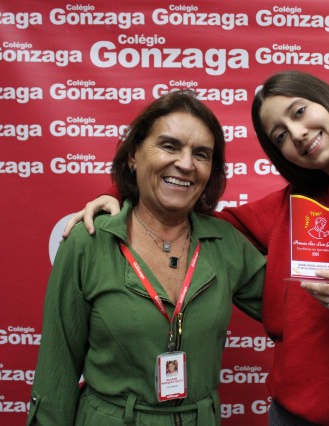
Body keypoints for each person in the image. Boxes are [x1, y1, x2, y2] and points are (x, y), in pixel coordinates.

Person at [64, 71, 329, 425]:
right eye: (280, 135)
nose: (298, 135)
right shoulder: (287, 206)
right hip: (291, 416)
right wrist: (120, 195)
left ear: (328, 102)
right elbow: (181, 210)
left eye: (299, 112)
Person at [28, 91, 266, 426]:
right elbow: (57, 369)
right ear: (133, 155)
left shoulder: (227, 243)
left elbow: (296, 311)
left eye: (201, 154)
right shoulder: (89, 241)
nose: (186, 164)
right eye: (169, 146)